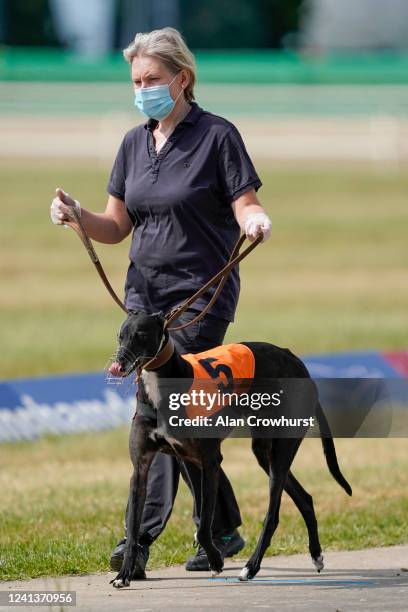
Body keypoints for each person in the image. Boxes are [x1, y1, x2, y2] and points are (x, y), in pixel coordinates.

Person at [50, 27, 272, 577]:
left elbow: (245, 201)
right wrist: (78, 214)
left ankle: (139, 543)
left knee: (159, 414)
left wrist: (254, 221)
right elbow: (116, 224)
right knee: (181, 420)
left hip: (200, 302)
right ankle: (220, 527)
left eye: (151, 79)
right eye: (135, 81)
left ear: (182, 79)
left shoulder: (218, 136)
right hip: (142, 308)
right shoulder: (132, 143)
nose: (142, 89)